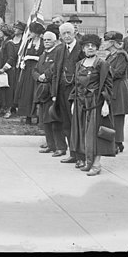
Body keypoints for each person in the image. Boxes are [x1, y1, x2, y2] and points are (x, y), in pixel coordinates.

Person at [69, 34, 116, 176]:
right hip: (80, 104)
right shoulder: (79, 64)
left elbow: (108, 86)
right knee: (83, 132)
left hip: (96, 103)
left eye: (93, 46)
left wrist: (106, 104)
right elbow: (75, 85)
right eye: (87, 46)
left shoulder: (102, 64)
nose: (90, 48)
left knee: (96, 134)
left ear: (97, 48)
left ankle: (96, 164)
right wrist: (73, 101)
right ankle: (87, 160)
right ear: (83, 48)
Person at [54, 22, 84, 162]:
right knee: (66, 123)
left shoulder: (81, 49)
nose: (66, 36)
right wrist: (55, 92)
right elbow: (56, 71)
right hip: (62, 91)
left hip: (75, 91)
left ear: (74, 34)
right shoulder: (60, 50)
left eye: (69, 33)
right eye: (63, 33)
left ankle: (80, 155)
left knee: (77, 123)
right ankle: (72, 153)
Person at [34, 30, 64, 154]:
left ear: (55, 41)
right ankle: (51, 145)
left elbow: (55, 68)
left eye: (49, 40)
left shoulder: (57, 53)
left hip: (52, 89)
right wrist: (38, 76)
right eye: (44, 40)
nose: (46, 42)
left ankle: (60, 147)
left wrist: (45, 76)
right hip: (42, 91)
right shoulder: (42, 55)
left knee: (54, 120)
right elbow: (34, 69)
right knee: (45, 120)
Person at [103, 31, 128, 154]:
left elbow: (118, 73)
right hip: (112, 87)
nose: (103, 43)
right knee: (112, 116)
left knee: (118, 117)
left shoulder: (121, 55)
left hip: (119, 88)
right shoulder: (110, 56)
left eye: (106, 41)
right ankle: (114, 141)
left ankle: (118, 142)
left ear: (113, 43)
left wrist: (104, 71)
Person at [15, 21, 46, 124]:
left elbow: (43, 56)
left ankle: (35, 116)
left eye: (31, 32)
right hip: (27, 70)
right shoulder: (28, 42)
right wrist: (23, 61)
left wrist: (31, 57)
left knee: (35, 93)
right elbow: (23, 54)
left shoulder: (42, 42)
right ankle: (27, 116)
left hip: (36, 69)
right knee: (26, 92)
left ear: (36, 33)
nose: (30, 34)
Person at [0, 22, 22, 117]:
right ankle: (3, 108)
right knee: (3, 90)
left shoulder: (9, 43)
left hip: (8, 72)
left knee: (9, 91)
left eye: (1, 31)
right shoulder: (4, 42)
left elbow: (11, 58)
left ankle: (9, 110)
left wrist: (4, 68)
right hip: (2, 71)